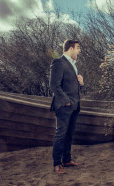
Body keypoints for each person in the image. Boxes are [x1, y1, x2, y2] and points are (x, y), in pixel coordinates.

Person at [50, 39, 84, 174]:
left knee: (69, 134)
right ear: (70, 48)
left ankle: (67, 160)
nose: (79, 51)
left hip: (75, 105)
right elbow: (54, 85)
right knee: (61, 135)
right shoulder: (58, 62)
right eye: (78, 48)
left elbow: (72, 86)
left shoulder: (74, 65)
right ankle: (57, 164)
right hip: (64, 105)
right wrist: (66, 101)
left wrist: (81, 84)